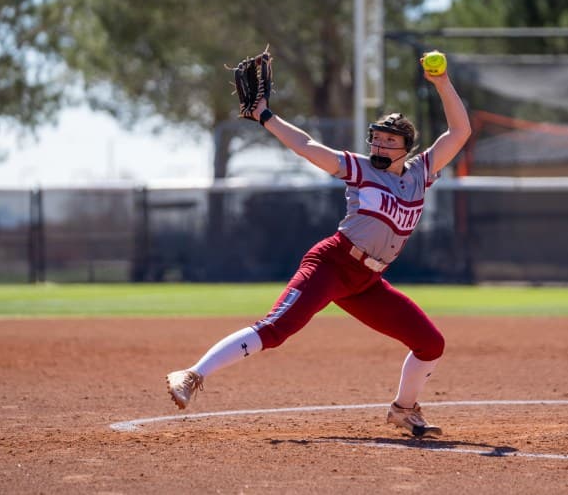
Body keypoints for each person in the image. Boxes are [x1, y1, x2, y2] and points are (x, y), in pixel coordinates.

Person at [166, 54, 471, 437]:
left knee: (430, 343)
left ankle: (403, 410)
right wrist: (265, 115)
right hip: (332, 264)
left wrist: (441, 81)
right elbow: (306, 145)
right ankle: (192, 375)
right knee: (276, 329)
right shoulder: (359, 168)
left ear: (406, 148)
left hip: (366, 282)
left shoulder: (421, 172)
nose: (379, 144)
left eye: (389, 140)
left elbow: (459, 131)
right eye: (376, 137)